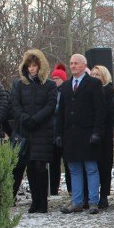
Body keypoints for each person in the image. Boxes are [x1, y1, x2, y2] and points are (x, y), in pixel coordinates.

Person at [57, 54, 106, 214]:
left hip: (88, 133)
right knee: (74, 169)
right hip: (70, 134)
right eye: (71, 63)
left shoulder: (93, 84)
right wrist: (58, 133)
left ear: (84, 65)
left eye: (76, 63)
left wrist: (97, 132)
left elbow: (100, 110)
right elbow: (61, 112)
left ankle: (93, 201)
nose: (73, 66)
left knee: (91, 168)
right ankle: (76, 201)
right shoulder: (66, 86)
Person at [10, 49, 57, 214]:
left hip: (42, 130)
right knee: (29, 165)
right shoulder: (19, 84)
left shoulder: (49, 85)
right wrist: (24, 118)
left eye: (34, 65)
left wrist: (36, 119)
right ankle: (34, 202)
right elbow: (14, 104)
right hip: (25, 130)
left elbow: (50, 106)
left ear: (40, 66)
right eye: (29, 65)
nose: (31, 69)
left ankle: (42, 201)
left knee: (40, 166)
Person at [90, 65, 114, 209]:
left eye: (98, 75)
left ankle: (104, 195)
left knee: (105, 165)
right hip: (91, 131)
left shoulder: (109, 91)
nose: (94, 77)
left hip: (105, 133)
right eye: (92, 74)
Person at [49, 65, 68, 195]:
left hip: (64, 130)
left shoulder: (66, 92)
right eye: (53, 78)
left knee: (68, 162)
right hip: (51, 130)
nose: (55, 80)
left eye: (58, 78)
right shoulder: (50, 91)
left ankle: (71, 188)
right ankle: (53, 188)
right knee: (53, 162)